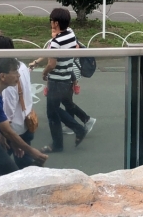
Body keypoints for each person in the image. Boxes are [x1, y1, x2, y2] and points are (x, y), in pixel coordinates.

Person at [34, 8, 96, 153]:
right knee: (55, 110)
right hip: (67, 78)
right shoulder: (71, 34)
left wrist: (44, 73)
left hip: (56, 80)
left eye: (51, 21)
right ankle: (73, 132)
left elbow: (51, 64)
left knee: (52, 113)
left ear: (55, 23)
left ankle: (65, 139)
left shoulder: (56, 42)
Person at [0, 56, 48, 175]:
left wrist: (14, 143)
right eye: (15, 72)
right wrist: (33, 152)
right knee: (11, 174)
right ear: (3, 76)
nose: (19, 75)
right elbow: (7, 131)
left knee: (3, 174)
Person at [0, 35, 39, 169]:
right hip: (27, 121)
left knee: (2, 166)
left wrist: (3, 136)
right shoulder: (21, 66)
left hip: (15, 128)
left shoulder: (8, 79)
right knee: (25, 162)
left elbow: (7, 110)